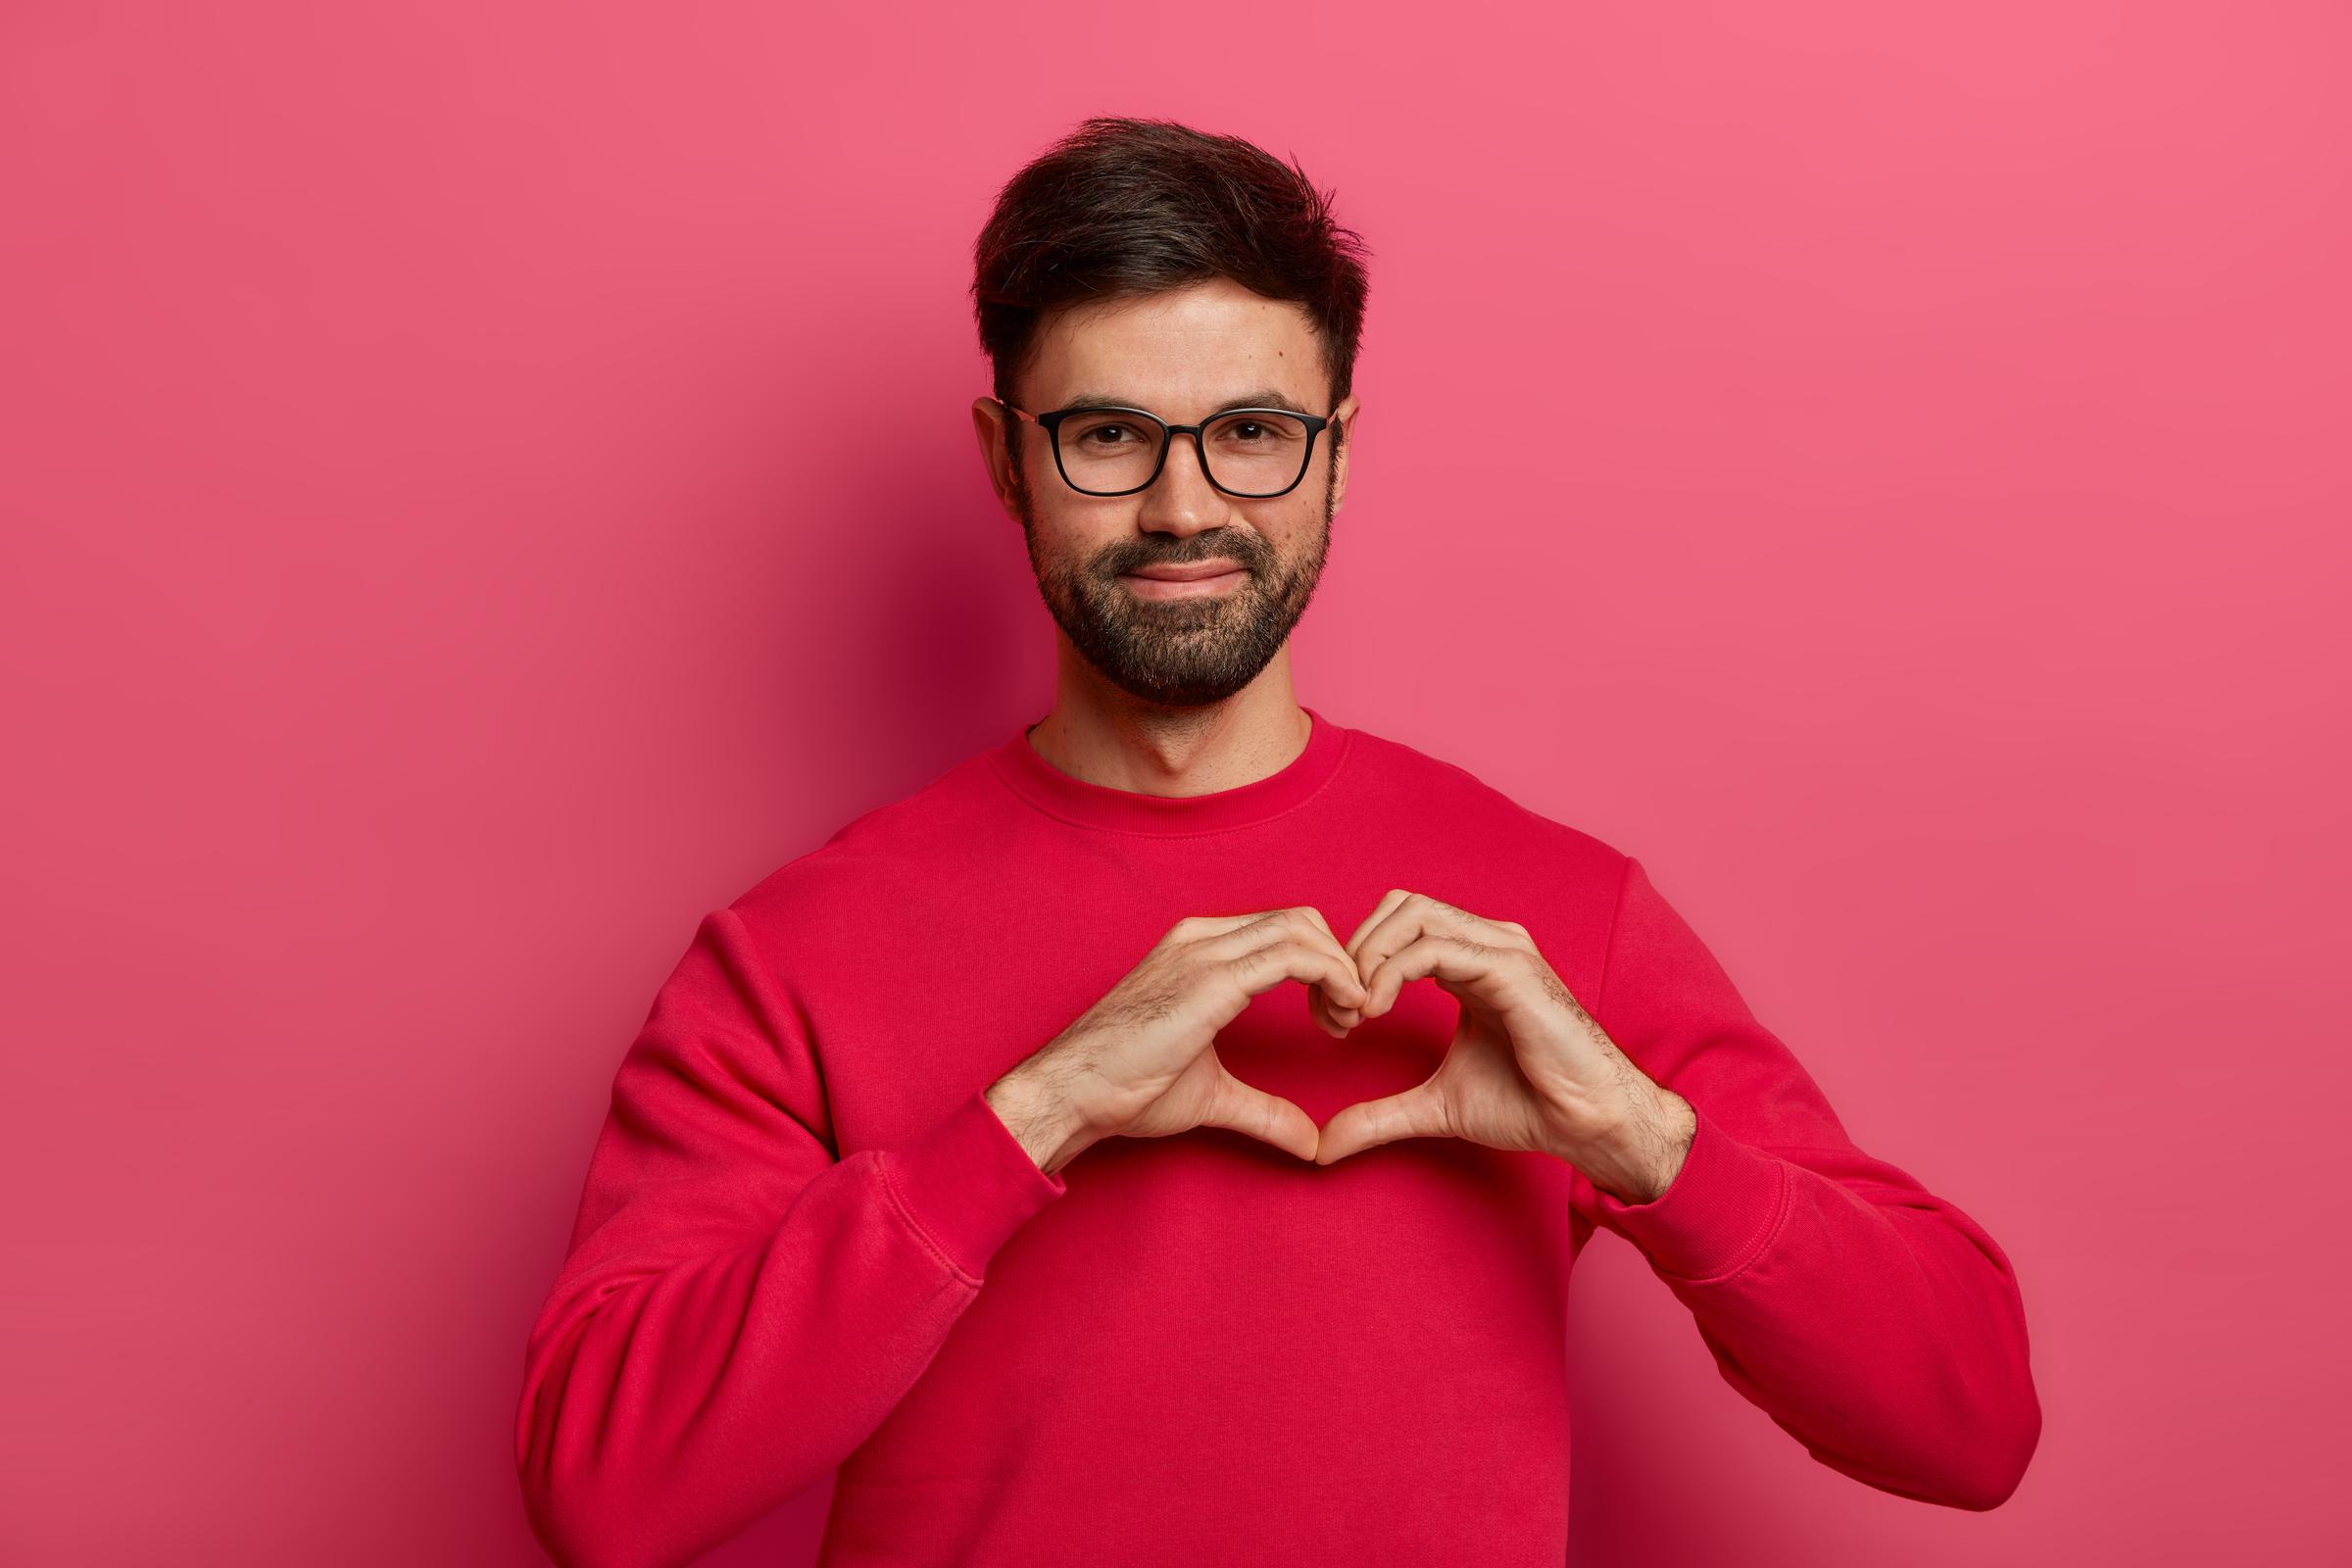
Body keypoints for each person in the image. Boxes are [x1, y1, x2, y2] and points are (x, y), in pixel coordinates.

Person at [514, 116, 2041, 1568]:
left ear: (1337, 449)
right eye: (1109, 433)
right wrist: (1031, 1118)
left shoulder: (1554, 914)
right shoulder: (795, 955)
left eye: (1251, 432)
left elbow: (1967, 1422)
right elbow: (604, 1493)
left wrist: (1645, 1143)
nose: (1184, 506)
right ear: (1003, 457)